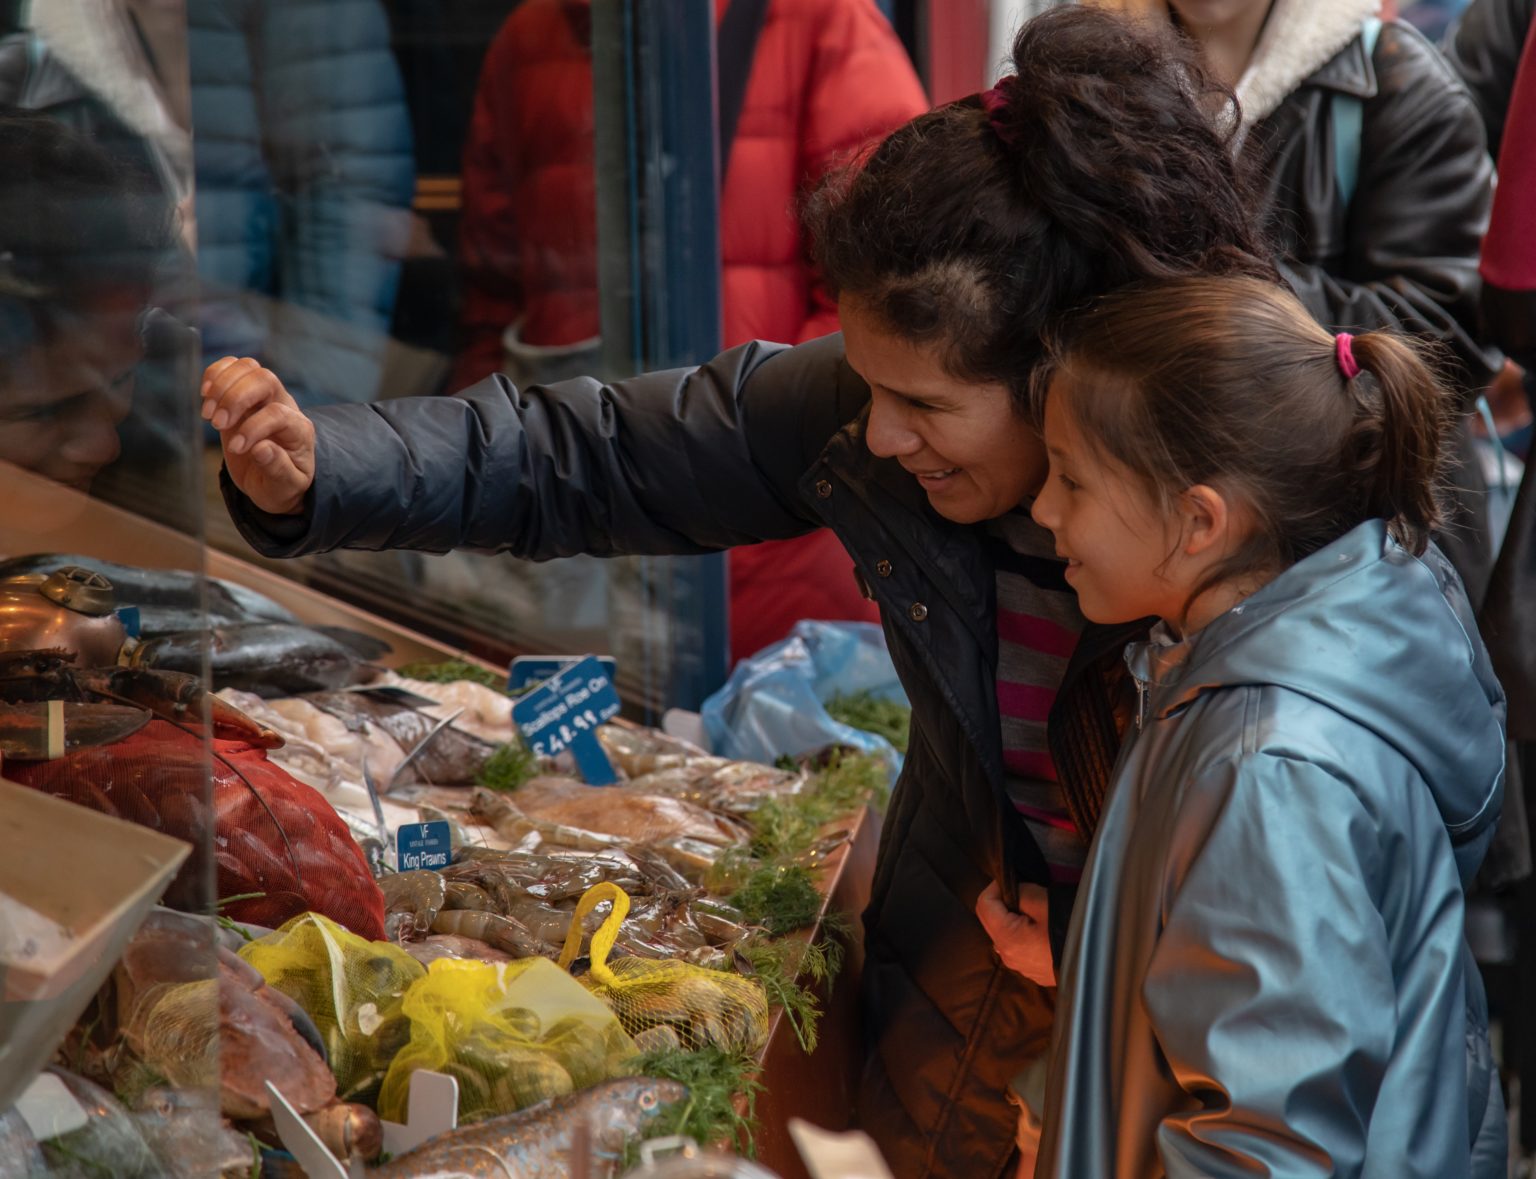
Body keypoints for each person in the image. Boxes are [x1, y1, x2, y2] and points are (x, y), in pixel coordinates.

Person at [201, 9, 1271, 1173]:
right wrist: (326, 469)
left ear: (1069, 374)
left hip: (1175, 1022)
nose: (882, 433)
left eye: (925, 408)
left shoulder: (1257, 527)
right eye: (868, 388)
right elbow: (596, 450)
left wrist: (1116, 949)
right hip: (967, 950)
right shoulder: (886, 411)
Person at [1026, 275, 1505, 1177]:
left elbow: (1267, 1144)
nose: (1044, 508)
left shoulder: (1269, 763)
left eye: (1072, 478)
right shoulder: (1222, 678)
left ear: (1200, 520)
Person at [453, 0, 928, 663]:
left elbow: (897, 295)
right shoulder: (529, 37)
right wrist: (494, 493)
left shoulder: (823, 21)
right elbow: (493, 289)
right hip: (575, 544)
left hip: (775, 543)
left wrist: (771, 472)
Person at [1102, 0, 1500, 601]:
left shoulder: (1392, 82)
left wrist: (1220, 267)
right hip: (1147, 528)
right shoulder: (1095, 86)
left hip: (1352, 551)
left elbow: (1449, 340)